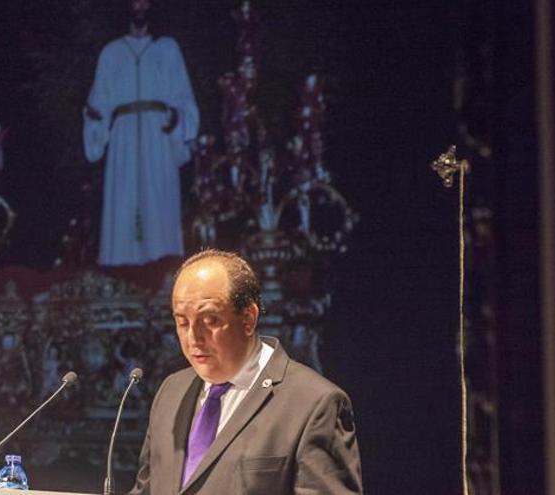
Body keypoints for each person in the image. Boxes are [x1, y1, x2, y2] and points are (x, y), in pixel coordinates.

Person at [130, 249, 363, 494]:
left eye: (210, 320)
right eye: (182, 322)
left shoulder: (314, 404)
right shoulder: (171, 391)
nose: (193, 338)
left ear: (248, 318)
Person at [83, 0, 199, 266]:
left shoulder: (168, 49)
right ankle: (119, 277)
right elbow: (98, 103)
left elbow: (185, 98)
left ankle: (164, 274)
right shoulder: (111, 53)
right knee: (122, 206)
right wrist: (95, 121)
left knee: (160, 206)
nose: (139, 6)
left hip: (158, 138)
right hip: (122, 141)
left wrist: (176, 119)